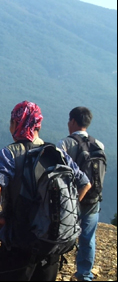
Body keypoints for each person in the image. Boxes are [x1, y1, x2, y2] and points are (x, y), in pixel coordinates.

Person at [0, 101, 91, 281]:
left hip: (18, 244)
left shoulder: (10, 153)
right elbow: (85, 183)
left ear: (17, 124)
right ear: (37, 125)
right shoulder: (58, 153)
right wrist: (62, 213)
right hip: (52, 247)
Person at [57, 107, 105, 282]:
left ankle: (53, 265)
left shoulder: (65, 144)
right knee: (88, 237)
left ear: (73, 121)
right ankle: (85, 275)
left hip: (71, 200)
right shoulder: (99, 145)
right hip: (93, 199)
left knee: (60, 233)